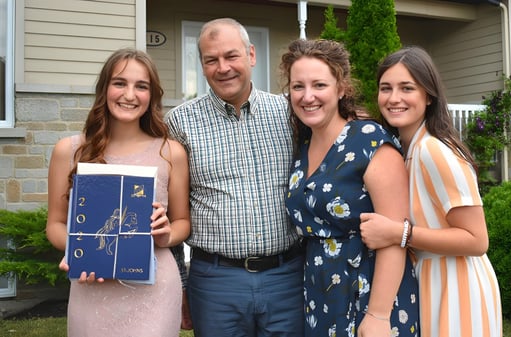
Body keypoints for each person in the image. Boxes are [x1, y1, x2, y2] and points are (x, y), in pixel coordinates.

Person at [165, 18, 304, 337]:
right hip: (216, 282)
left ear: (251, 55)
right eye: (211, 60)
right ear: (201, 65)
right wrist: (181, 287)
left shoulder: (290, 114)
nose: (223, 67)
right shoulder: (178, 123)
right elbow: (173, 212)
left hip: (287, 277)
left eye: (232, 56)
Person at [45, 48, 191, 336]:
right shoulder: (69, 150)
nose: (130, 95)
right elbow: (55, 224)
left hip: (154, 290)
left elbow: (183, 221)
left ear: (152, 95)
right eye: (120, 83)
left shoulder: (170, 151)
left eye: (142, 86)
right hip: (92, 284)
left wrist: (168, 234)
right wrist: (77, 252)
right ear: (104, 88)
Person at [280, 38, 420, 337]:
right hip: (321, 294)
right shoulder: (304, 143)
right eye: (297, 87)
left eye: (319, 85)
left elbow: (395, 235)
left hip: (369, 291)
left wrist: (379, 316)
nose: (307, 97)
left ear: (341, 88)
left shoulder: (368, 140)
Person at [360, 45, 502, 337]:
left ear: (428, 95)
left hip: (457, 285)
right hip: (430, 280)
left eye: (406, 88)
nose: (394, 98)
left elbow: (477, 240)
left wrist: (400, 233)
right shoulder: (406, 149)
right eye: (385, 88)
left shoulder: (433, 150)